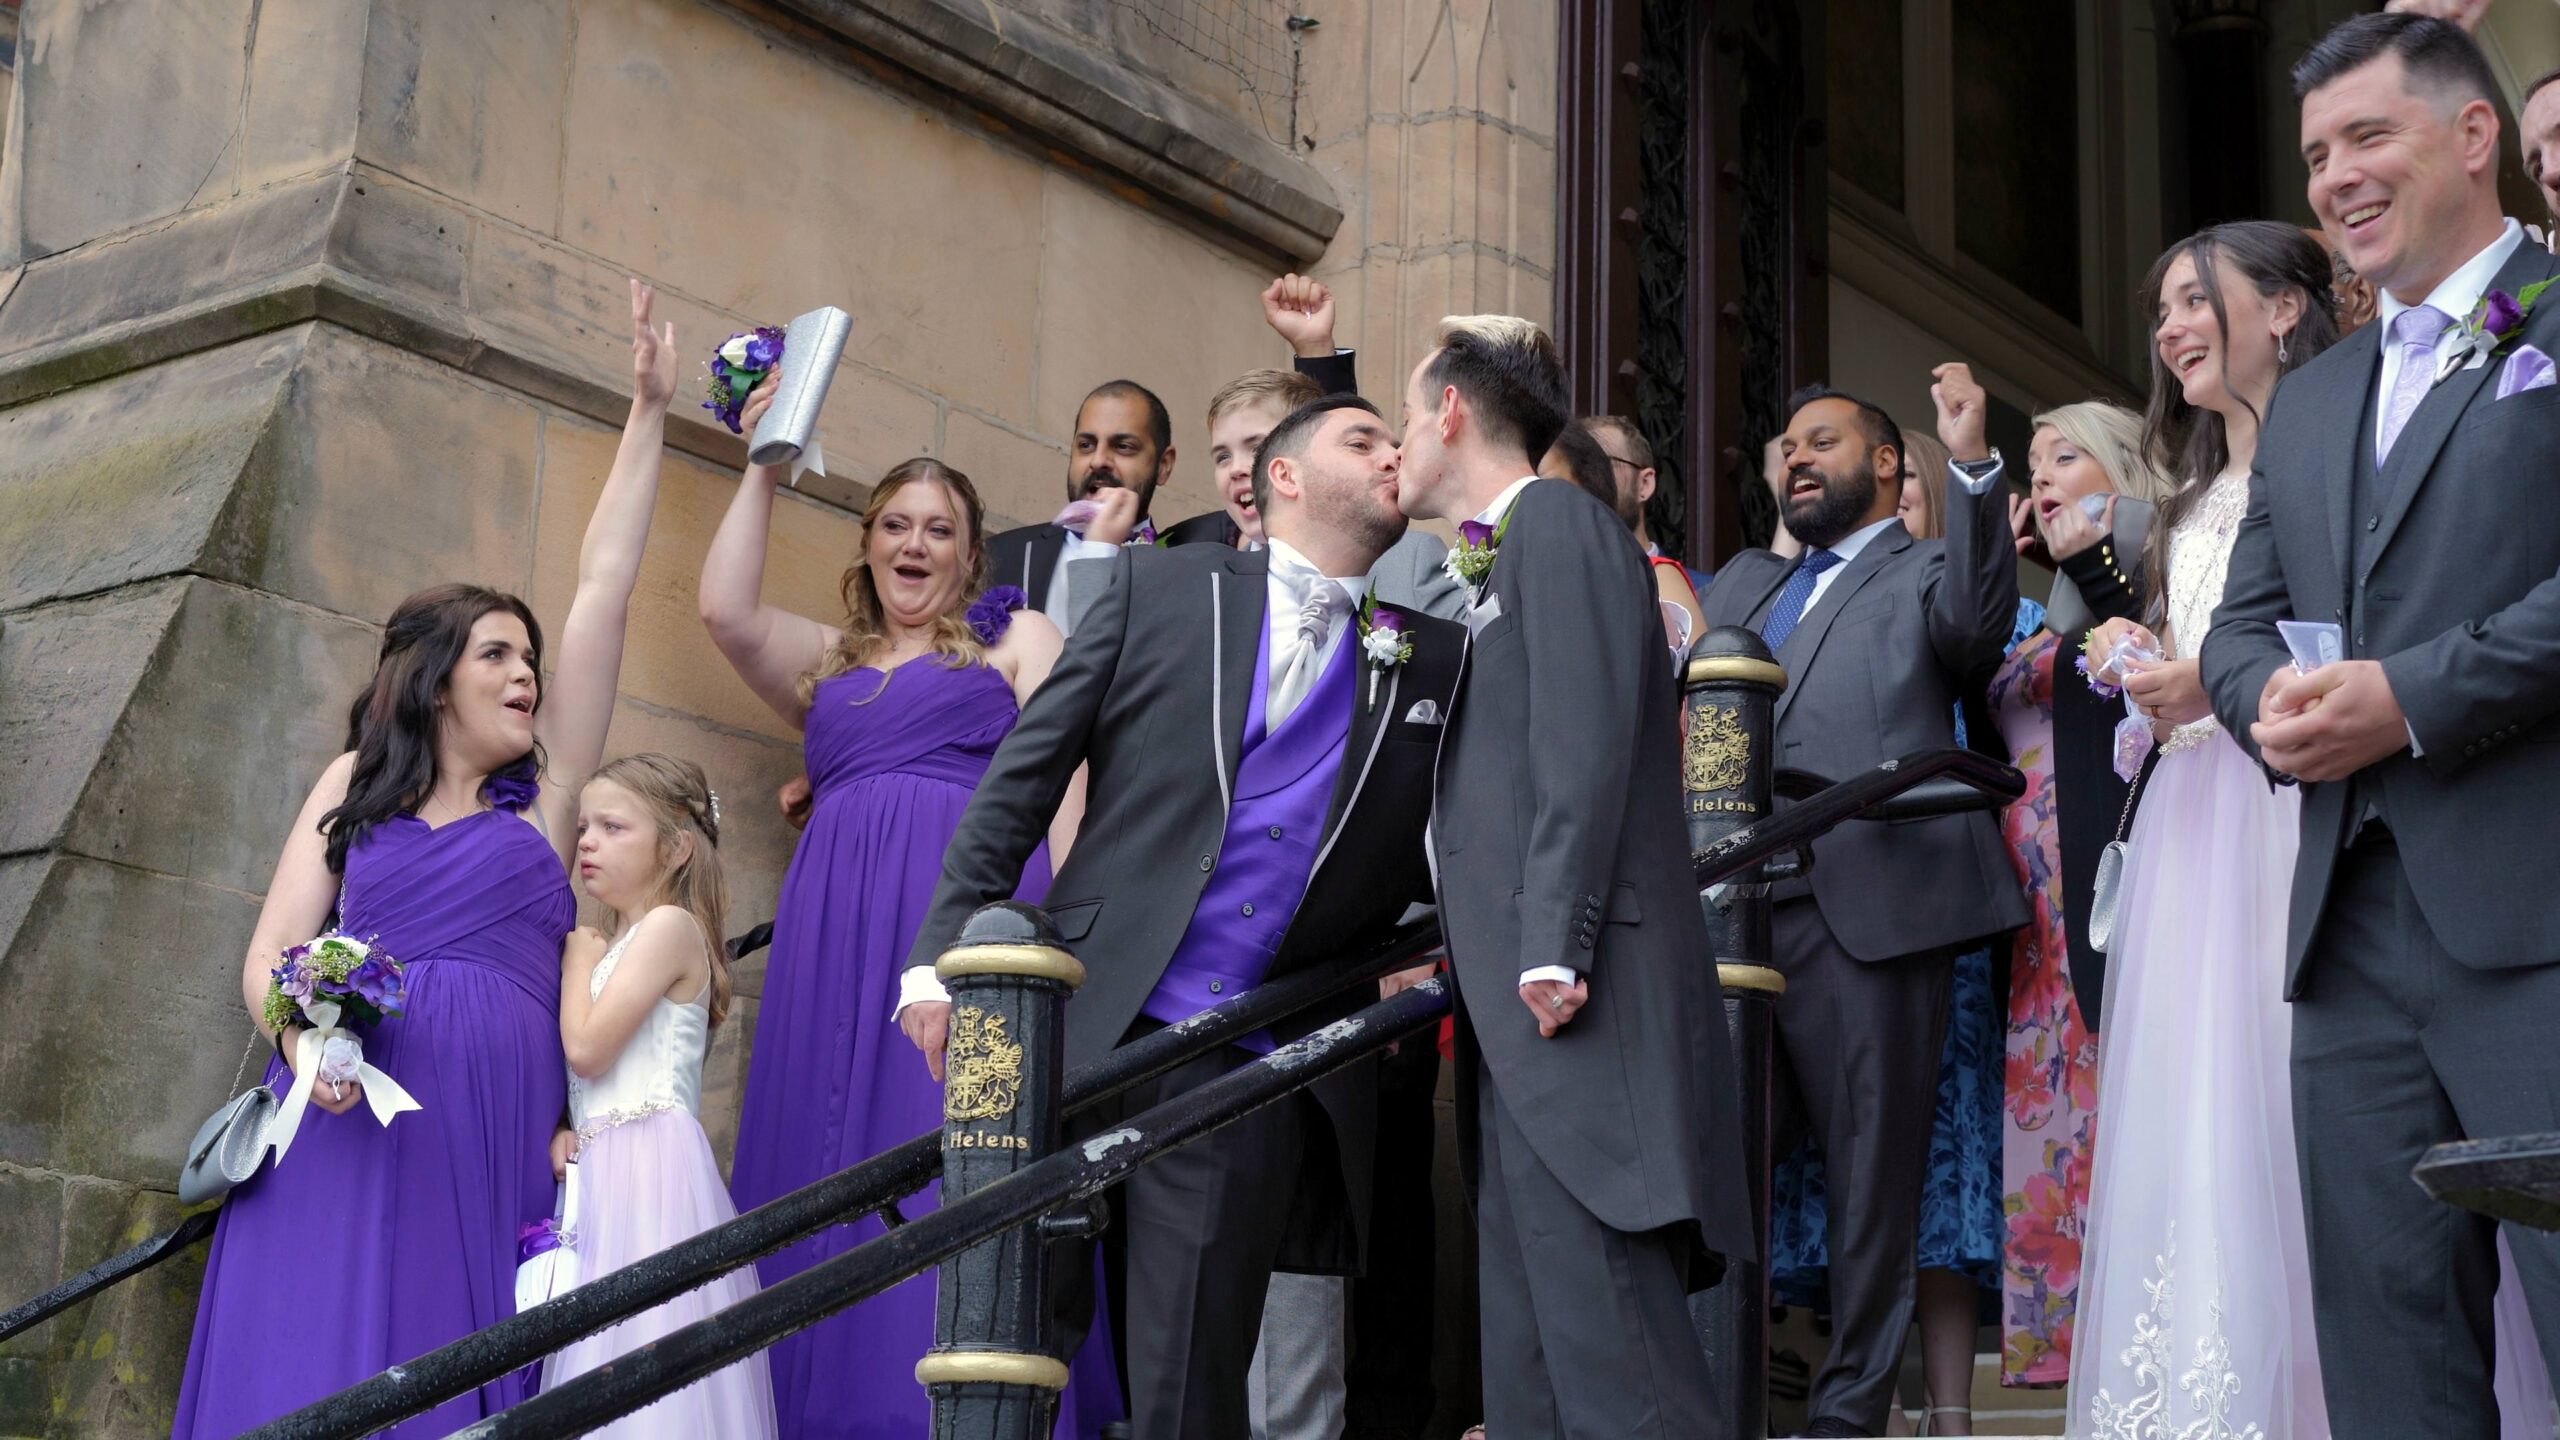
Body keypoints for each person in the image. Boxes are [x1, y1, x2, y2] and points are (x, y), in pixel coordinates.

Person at [901, 394, 1466, 1440]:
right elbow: (1024, 781)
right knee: (1002, 1348)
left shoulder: (1431, 656)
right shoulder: (1154, 586)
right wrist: (940, 960)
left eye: (1399, 439)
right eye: (1363, 439)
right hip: (1082, 1020)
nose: (1394, 453)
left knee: (1187, 1389)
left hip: (1249, 1055)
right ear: (1282, 477)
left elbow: (1462, 843)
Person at [173, 281, 680, 1436]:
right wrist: (311, 1042)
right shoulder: (352, 785)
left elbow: (604, 592)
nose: (527, 676)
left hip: (486, 1123)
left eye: (531, 661)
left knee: (448, 1363)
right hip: (346, 1113)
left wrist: (647, 412)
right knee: (309, 1348)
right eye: (498, 653)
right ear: (434, 675)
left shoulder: (547, 804)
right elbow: (267, 954)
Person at [2198, 13, 2560, 1432]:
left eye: (2367, 138)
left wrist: (2412, 697)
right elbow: (2237, 623)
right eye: (2314, 155)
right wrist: (2266, 709)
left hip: (2536, 917)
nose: (2335, 177)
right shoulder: (2316, 395)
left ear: (2476, 139)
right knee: (2388, 1350)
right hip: (2345, 939)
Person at [698, 388, 1113, 1437]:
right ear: (867, 544)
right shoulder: (832, 663)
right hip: (832, 943)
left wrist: (1066, 942)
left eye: (940, 529)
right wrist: (762, 460)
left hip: (962, 932)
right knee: (817, 1150)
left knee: (951, 1151)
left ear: (970, 555)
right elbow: (723, 611)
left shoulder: (1015, 635)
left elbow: (1070, 792)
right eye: (894, 525)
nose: (914, 544)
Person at [1394, 314, 1750, 1439]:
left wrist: (1554, 937)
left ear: (1451, 411)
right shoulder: (1507, 546)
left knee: (1624, 1385)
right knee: (1538, 1385)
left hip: (1578, 1008)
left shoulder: (1556, 524)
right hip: (1523, 1028)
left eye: (1404, 416)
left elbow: (1583, 741)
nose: (1398, 444)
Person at [1694, 368, 2021, 1435]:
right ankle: (1713, 1397)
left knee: (1872, 1183)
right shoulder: (1742, 583)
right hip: (1732, 914)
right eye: (1785, 445)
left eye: (1821, 441)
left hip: (1873, 904)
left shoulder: (1927, 564)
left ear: (1884, 463)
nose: (1794, 456)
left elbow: (1976, 629)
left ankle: (1850, 1416)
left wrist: (1969, 463)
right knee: (1714, 1171)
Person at [540, 754, 777, 1437]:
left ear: (675, 848)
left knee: (638, 1350)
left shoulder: (668, 929)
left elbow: (588, 1049)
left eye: (613, 826)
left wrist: (577, 964)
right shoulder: (626, 938)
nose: (586, 840)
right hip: (606, 1162)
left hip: (649, 1172)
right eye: (585, 826)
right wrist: (568, 1125)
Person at [987, 379, 1175, 634]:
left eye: (1123, 447)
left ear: (1164, 465)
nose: (1098, 461)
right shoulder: (998, 555)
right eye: (1086, 445)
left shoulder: (1182, 571)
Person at [1583, 413, 1712, 601]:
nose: (1585, 477)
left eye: (1601, 463)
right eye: (1577, 468)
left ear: (1644, 484)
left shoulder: (1705, 592)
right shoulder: (1546, 588)